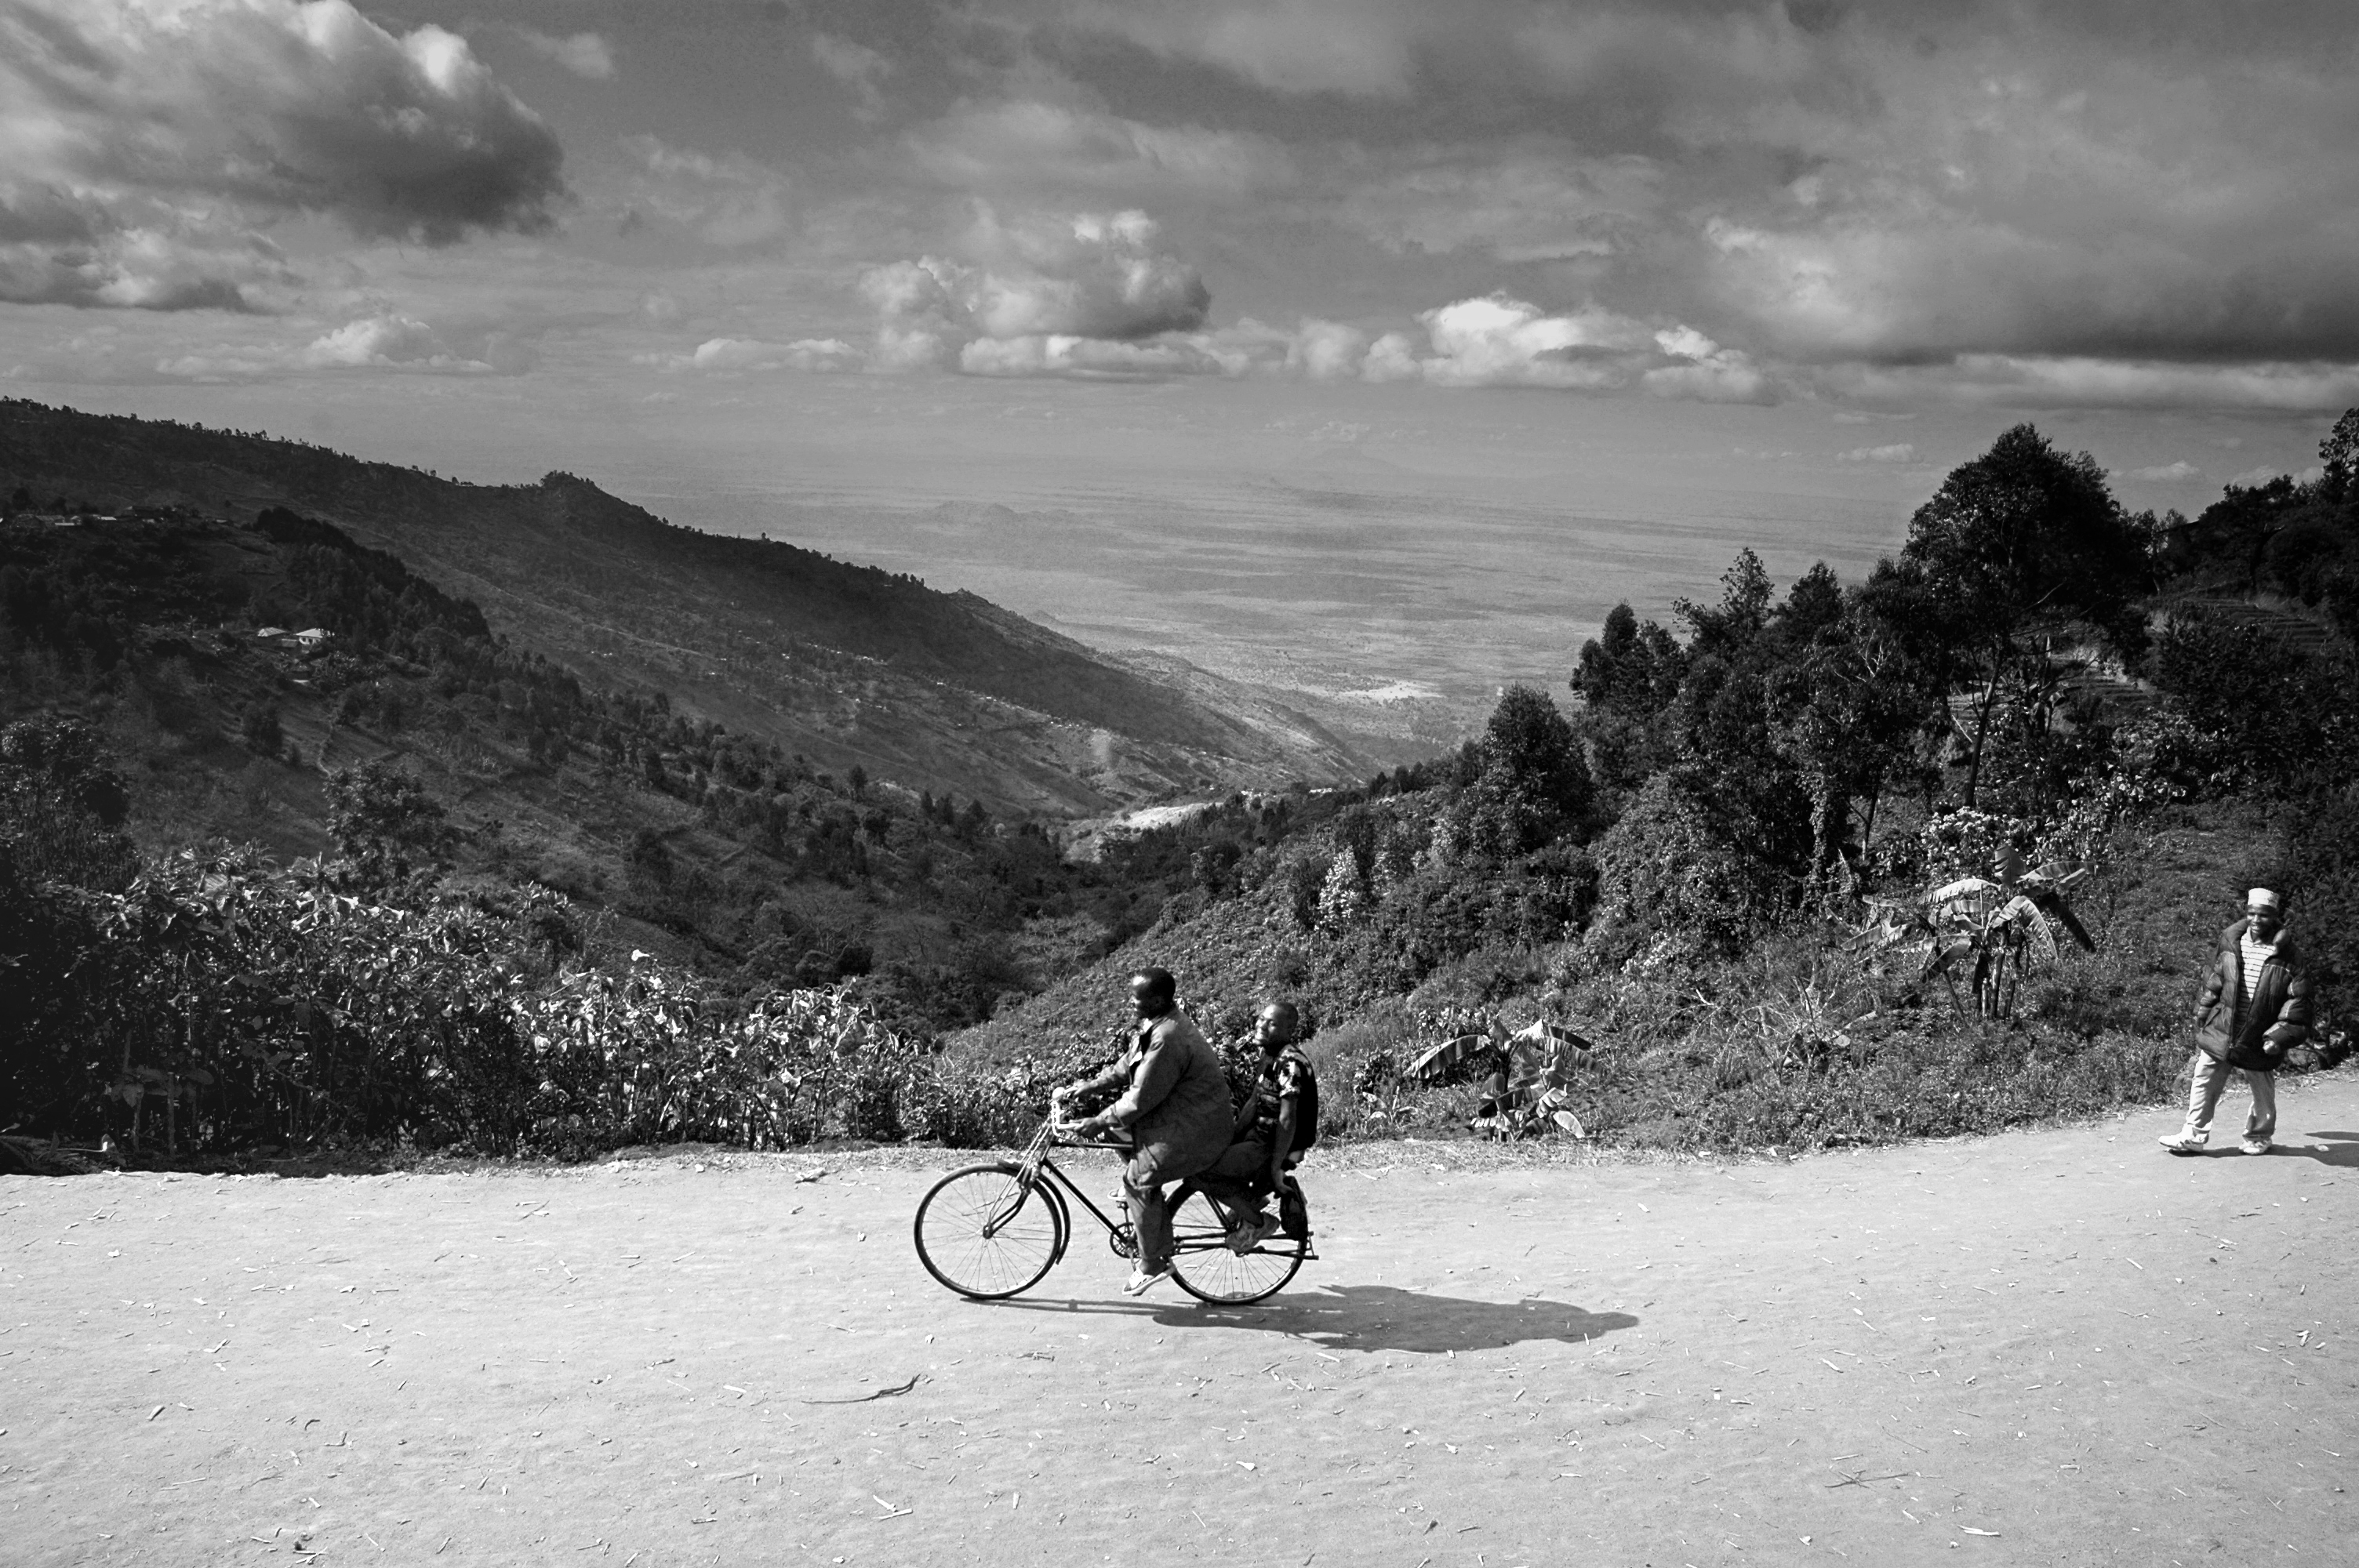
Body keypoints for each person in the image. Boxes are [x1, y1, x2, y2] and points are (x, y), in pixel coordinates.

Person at [1050, 967, 1233, 1295]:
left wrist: (1098, 1120)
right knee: (1116, 1134)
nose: (1130, 1002)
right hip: (1181, 1118)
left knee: (1136, 1181)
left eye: (1137, 997)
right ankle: (1149, 1195)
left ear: (1158, 1000)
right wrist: (1090, 1086)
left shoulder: (1168, 1037)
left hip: (1194, 1128)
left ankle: (1153, 1263)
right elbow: (1128, 1065)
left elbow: (1140, 1098)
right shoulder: (1156, 1025)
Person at [2161, 887, 2313, 1156]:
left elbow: (2297, 1002)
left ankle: (2259, 1135)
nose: (2256, 920)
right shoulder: (2232, 941)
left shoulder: (2290, 956)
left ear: (2275, 916)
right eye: (2252, 913)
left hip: (2260, 1031)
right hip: (2224, 1024)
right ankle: (2193, 1135)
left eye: (2264, 915)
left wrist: (2279, 1036)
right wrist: (2202, 1012)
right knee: (2204, 1077)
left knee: (2261, 1085)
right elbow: (2214, 979)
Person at [1196, 1002, 1315, 1253]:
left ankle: (1256, 1221)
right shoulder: (1269, 1055)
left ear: (1290, 1030)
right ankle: (1249, 1200)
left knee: (1200, 1171)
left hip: (1271, 1144)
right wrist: (1232, 1138)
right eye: (1261, 1019)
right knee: (1206, 1154)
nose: (1261, 1025)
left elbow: (1287, 1119)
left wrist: (1275, 1167)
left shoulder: (1290, 1063)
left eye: (1272, 1023)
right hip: (1258, 1136)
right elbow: (1254, 1100)